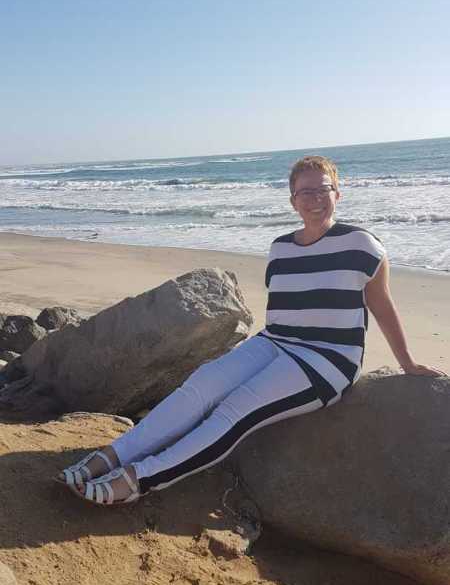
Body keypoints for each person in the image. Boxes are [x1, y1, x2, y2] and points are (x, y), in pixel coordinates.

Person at [57, 155, 444, 506]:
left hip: (327, 360)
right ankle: (111, 456)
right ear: (293, 201)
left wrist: (407, 362)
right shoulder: (281, 248)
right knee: (200, 386)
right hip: (274, 342)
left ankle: (138, 479)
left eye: (323, 189)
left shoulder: (363, 245)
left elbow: (381, 305)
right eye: (305, 192)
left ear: (337, 194)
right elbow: (284, 312)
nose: (315, 199)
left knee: (236, 411)